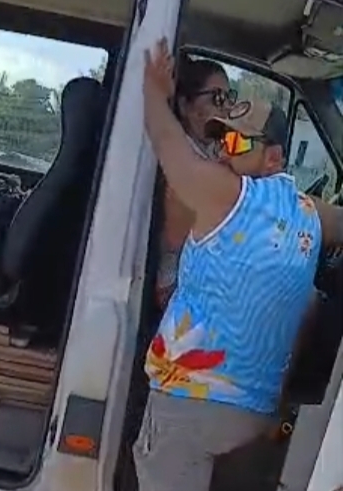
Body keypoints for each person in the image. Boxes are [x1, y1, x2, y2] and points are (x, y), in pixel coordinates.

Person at [134, 37, 343, 491]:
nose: (223, 150)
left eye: (235, 140)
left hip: (189, 398)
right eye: (219, 137)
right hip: (254, 411)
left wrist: (153, 94)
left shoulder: (222, 192)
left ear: (273, 157)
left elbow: (167, 142)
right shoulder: (310, 212)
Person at [157, 56, 237, 307]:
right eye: (217, 98)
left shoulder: (211, 153)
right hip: (175, 287)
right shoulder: (182, 163)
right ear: (185, 106)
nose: (226, 107)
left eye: (229, 97)